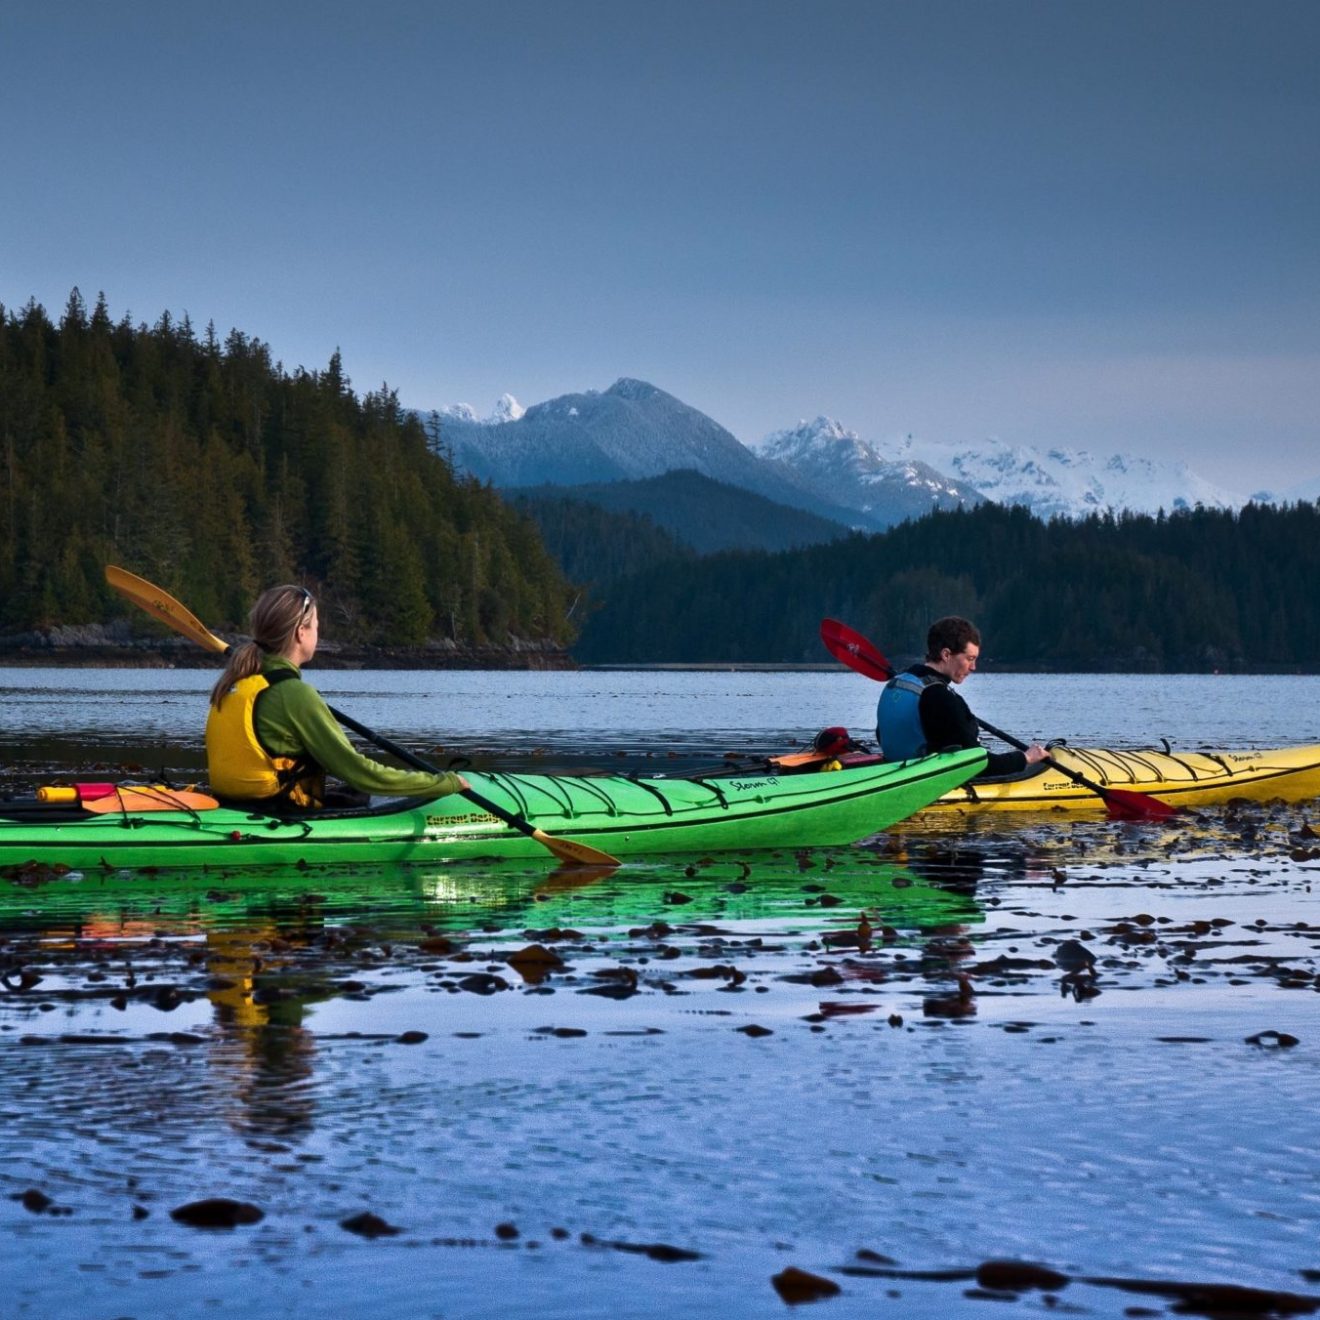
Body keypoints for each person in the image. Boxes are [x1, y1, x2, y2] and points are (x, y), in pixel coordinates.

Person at [205, 584, 469, 809]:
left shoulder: (235, 683)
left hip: (235, 804)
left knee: (351, 796)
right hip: (281, 809)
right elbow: (360, 773)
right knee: (364, 792)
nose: (318, 634)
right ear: (301, 632)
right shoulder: (294, 694)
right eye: (316, 626)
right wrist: (443, 783)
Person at [876, 616, 1046, 776]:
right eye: (969, 658)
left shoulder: (897, 683)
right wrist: (1025, 758)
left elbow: (882, 734)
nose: (973, 667)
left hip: (895, 772)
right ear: (946, 655)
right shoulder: (942, 698)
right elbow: (978, 764)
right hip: (925, 782)